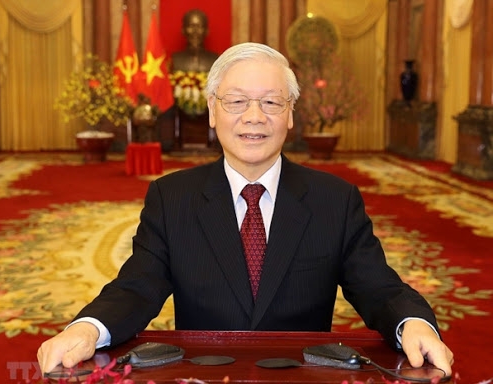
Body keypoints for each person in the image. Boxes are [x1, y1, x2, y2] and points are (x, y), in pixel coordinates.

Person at [37, 42, 454, 376]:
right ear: (213, 111)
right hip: (204, 371)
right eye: (236, 102)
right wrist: (88, 328)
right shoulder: (172, 197)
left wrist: (413, 323)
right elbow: (137, 287)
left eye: (271, 103)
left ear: (291, 115)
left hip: (301, 375)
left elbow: (378, 287)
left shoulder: (335, 199)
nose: (254, 117)